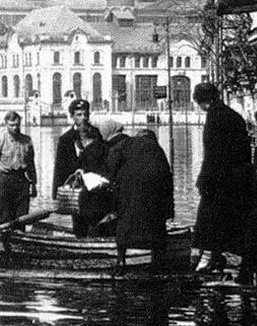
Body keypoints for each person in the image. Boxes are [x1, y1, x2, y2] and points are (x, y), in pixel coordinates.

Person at [192, 82, 257, 276]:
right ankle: (226, 258)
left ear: (203, 101)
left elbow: (212, 154)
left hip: (218, 179)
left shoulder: (214, 118)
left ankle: (211, 259)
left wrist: (204, 180)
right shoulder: (233, 115)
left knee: (210, 220)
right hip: (236, 177)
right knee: (229, 219)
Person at [106, 128, 173, 272]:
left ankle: (121, 261)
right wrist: (169, 212)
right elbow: (168, 183)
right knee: (157, 228)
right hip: (154, 194)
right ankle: (157, 262)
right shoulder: (158, 150)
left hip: (128, 192)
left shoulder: (125, 144)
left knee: (124, 225)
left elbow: (110, 168)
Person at [0, 110, 37, 228]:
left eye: (17, 125)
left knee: (22, 217)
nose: (15, 128)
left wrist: (33, 184)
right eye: (12, 125)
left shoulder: (27, 140)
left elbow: (31, 164)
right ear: (6, 124)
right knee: (5, 218)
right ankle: (5, 242)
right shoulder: (0, 140)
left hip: (22, 181)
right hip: (5, 181)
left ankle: (20, 241)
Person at [52, 98, 102, 202]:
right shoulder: (65, 139)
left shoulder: (97, 134)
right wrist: (56, 192)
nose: (83, 118)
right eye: (79, 115)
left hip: (95, 186)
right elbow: (60, 167)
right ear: (72, 117)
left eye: (85, 114)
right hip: (74, 188)